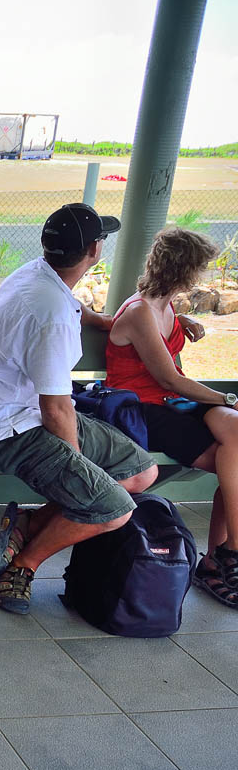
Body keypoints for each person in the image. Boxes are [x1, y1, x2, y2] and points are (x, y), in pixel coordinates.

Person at [0, 203, 158, 616]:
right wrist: (77, 470)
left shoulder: (38, 275)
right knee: (114, 509)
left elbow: (69, 306)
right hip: (11, 430)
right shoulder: (50, 313)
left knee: (142, 471)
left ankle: (31, 524)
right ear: (93, 250)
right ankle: (22, 566)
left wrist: (100, 320)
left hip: (34, 414)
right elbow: (55, 410)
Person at [104, 227, 238, 606]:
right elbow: (170, 379)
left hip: (169, 403)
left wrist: (185, 322)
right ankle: (221, 559)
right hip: (143, 409)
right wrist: (228, 397)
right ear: (185, 272)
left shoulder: (163, 305)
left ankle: (223, 557)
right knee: (235, 462)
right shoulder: (142, 310)